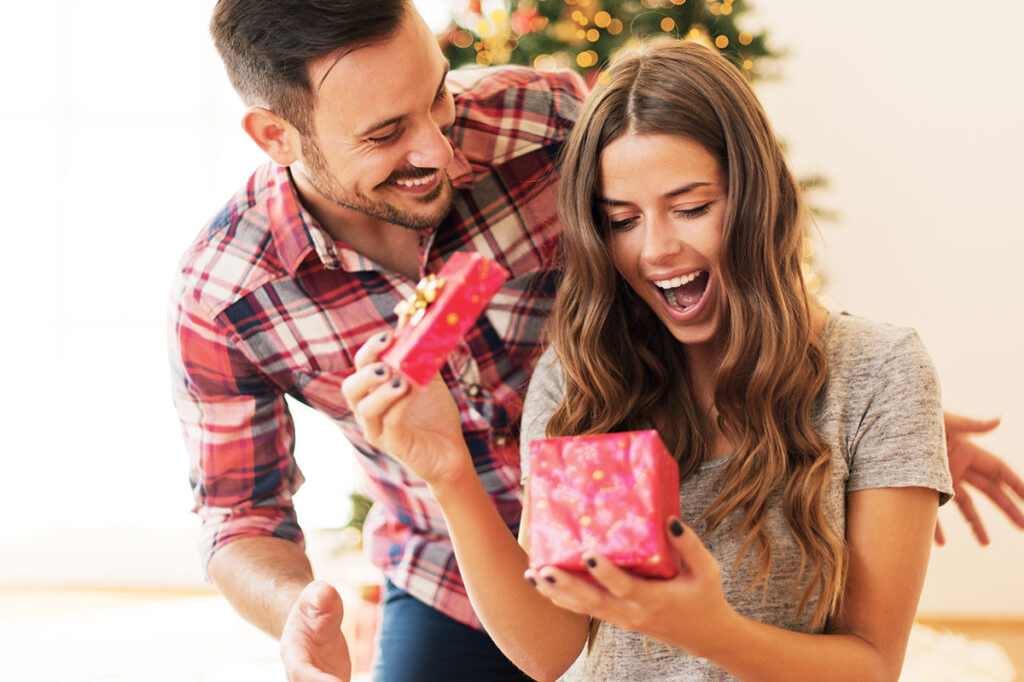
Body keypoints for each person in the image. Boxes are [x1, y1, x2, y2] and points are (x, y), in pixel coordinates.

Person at [168, 0, 1024, 682]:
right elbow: (239, 514)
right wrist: (299, 609)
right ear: (276, 137)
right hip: (455, 569)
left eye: (437, 95)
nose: (440, 147)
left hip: (672, 506)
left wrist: (860, 410)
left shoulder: (548, 119)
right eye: (387, 135)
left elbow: (709, 218)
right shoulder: (226, 293)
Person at [342, 38, 953, 681]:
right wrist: (450, 476)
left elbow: (873, 664)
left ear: (757, 197)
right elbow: (549, 652)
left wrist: (709, 632)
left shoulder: (881, 372)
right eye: (622, 220)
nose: (656, 249)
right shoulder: (579, 379)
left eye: (690, 209)